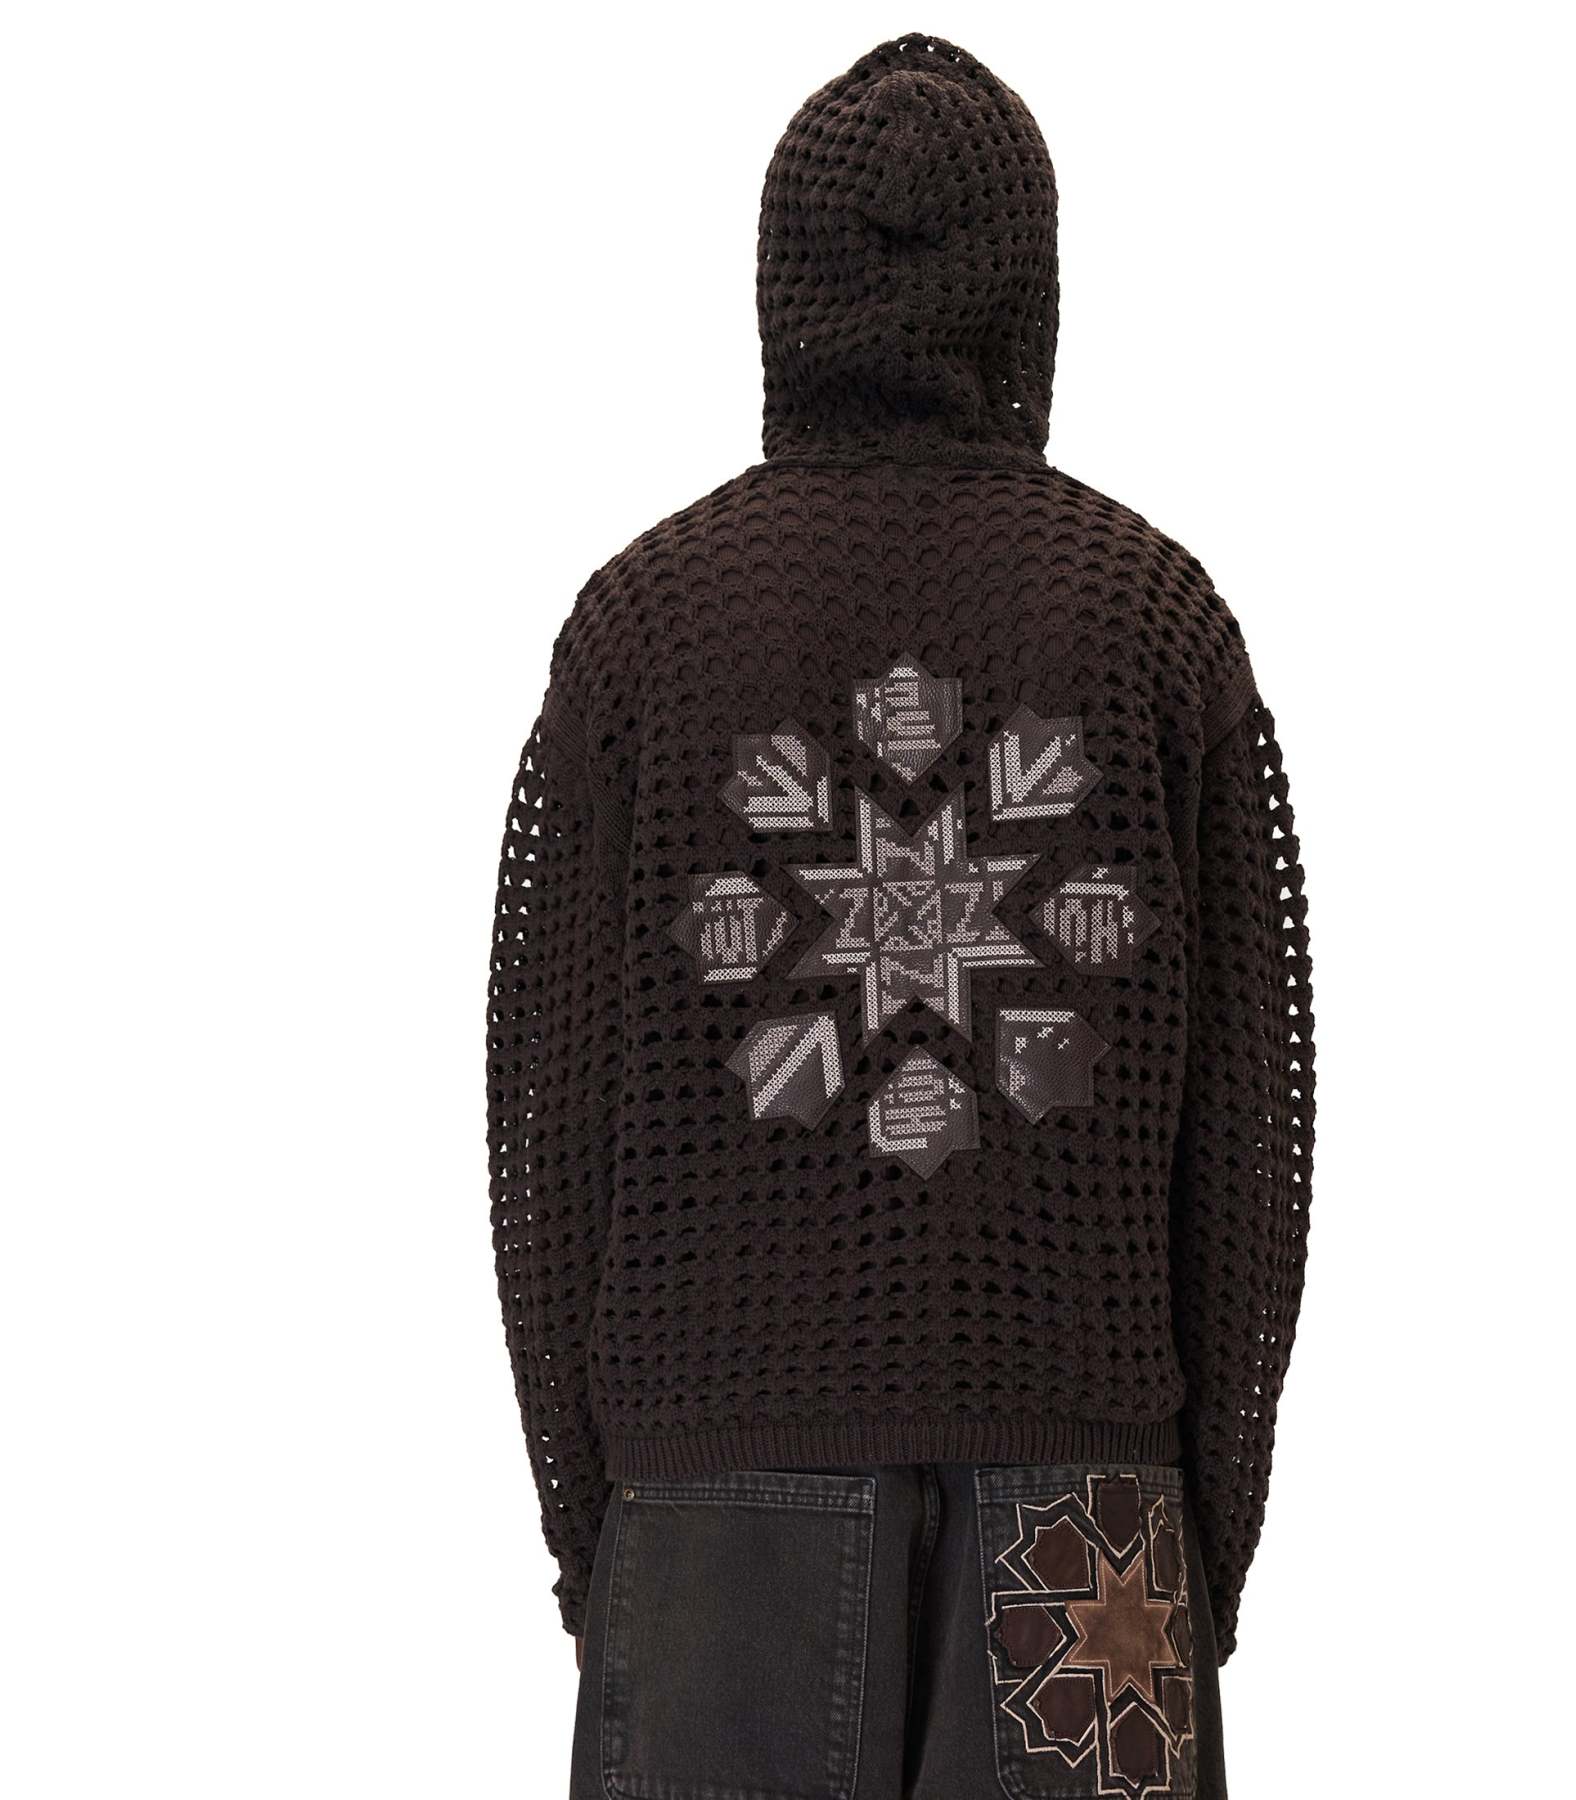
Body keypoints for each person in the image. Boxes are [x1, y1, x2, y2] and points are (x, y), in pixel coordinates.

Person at [486, 34, 1315, 1800]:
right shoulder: (1154, 617)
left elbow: (542, 1135)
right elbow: (1256, 1145)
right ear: (1033, 293)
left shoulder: (641, 628)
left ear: (780, 291)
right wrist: (1202, 1544)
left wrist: (598, 1533)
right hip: (1088, 1511)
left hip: (708, 1502)